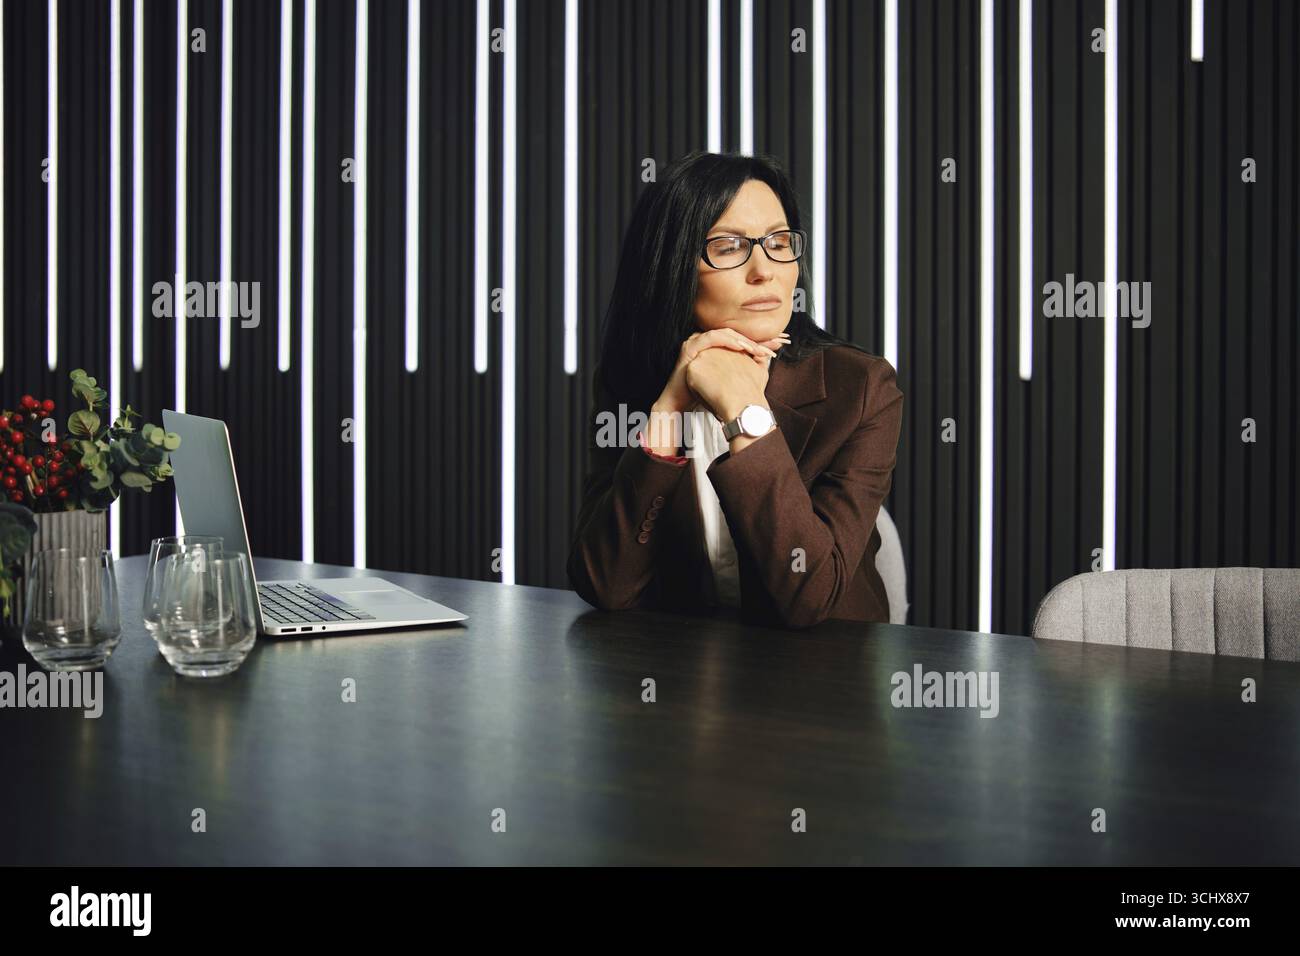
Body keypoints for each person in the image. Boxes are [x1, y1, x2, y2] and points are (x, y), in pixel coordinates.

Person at [567, 151, 903, 628]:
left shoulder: (860, 387)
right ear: (671, 267)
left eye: (779, 241)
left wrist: (746, 410)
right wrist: (668, 410)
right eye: (727, 246)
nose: (765, 270)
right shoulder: (631, 379)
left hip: (829, 679)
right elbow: (606, 584)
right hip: (678, 680)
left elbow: (809, 596)